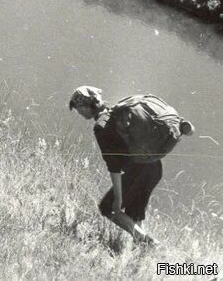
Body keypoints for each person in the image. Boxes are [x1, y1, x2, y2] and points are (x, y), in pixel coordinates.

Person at [69, 85, 194, 246]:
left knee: (108, 208)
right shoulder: (117, 113)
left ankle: (150, 244)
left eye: (78, 108)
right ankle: (140, 251)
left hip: (138, 171)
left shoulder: (101, 126)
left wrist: (118, 199)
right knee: (134, 214)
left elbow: (113, 165)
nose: (78, 112)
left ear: (87, 106)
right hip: (154, 167)